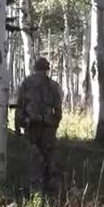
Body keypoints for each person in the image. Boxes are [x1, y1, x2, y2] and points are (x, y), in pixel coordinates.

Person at [14, 57, 62, 195]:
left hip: (31, 126)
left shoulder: (27, 83)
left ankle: (35, 190)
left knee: (34, 158)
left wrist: (18, 126)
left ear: (35, 68)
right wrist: (54, 125)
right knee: (49, 158)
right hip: (47, 127)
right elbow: (58, 111)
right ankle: (51, 189)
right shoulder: (53, 86)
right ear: (47, 69)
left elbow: (20, 106)